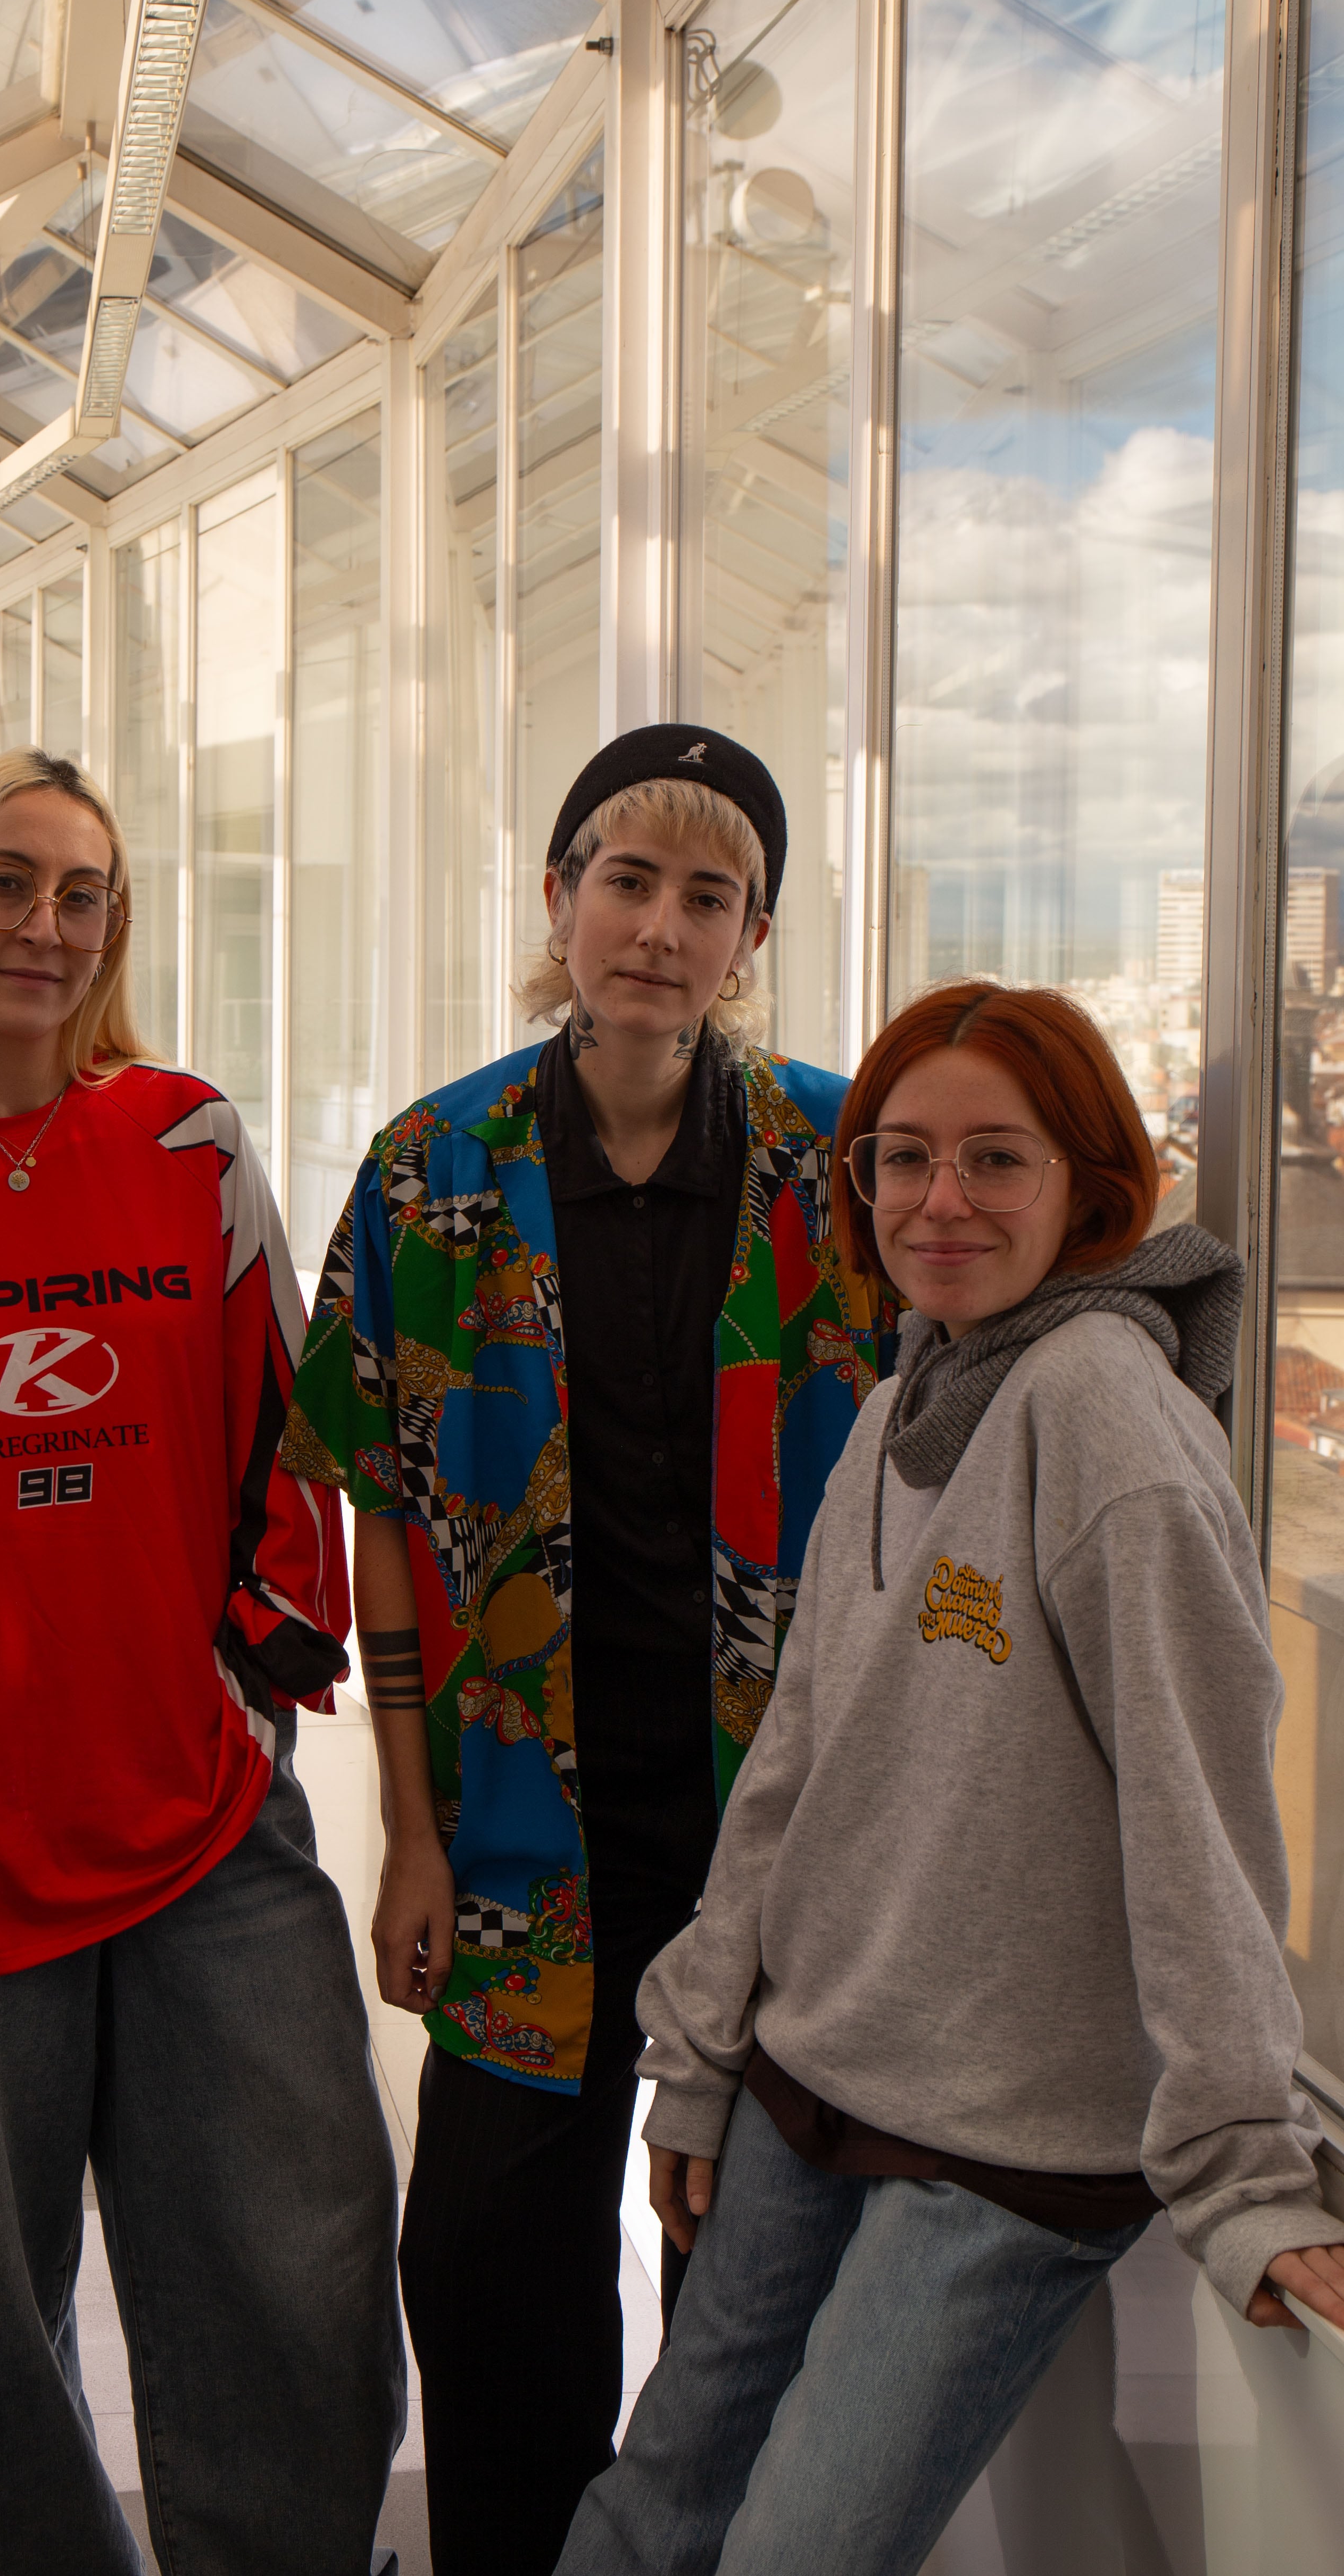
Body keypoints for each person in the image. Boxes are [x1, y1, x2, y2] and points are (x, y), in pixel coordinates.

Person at [556, 978, 1344, 2576]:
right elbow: (800, 1759)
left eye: (997, 1159)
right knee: (652, 2510)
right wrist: (701, 2050)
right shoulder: (916, 1391)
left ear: (1089, 1181)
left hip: (1008, 2146)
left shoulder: (1105, 1421)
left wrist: (1243, 2169)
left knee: (793, 2551)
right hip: (811, 2077)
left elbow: (1202, 1822)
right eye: (901, 1159)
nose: (940, 1201)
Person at [0, 745, 405, 2576]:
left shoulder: (181, 1138)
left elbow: (288, 1424)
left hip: (198, 1818)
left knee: (307, 2261)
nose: (45, 925)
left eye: (83, 894)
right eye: (8, 882)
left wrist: (253, 1680)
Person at [280, 724, 892, 2576]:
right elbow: (379, 1503)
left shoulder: (842, 1155)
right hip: (522, 1833)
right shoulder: (430, 1171)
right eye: (625, 879)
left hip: (782, 1843)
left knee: (746, 2277)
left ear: (751, 935)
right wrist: (411, 1825)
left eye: (708, 895)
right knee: (483, 2274)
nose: (659, 925)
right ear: (559, 902)